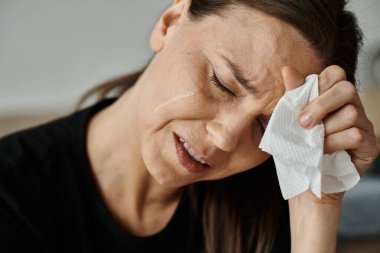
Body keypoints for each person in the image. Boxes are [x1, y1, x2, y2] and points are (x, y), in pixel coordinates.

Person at [0, 0, 379, 252]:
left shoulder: (263, 201)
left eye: (266, 127)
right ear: (169, 23)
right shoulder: (13, 194)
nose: (227, 138)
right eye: (222, 83)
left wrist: (318, 203)